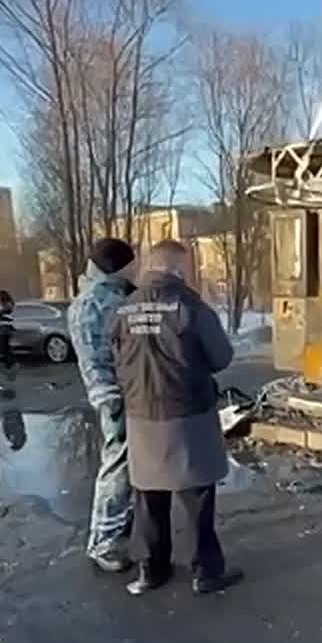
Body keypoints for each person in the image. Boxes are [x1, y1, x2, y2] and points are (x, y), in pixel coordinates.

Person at [109, 240, 244, 596]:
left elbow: (116, 359)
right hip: (188, 414)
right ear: (177, 268)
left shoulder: (124, 309)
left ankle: (151, 570)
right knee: (197, 497)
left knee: (148, 497)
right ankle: (205, 572)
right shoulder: (190, 306)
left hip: (141, 415)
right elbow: (221, 357)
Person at [67, 237, 138, 573]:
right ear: (116, 266)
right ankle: (103, 541)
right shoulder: (98, 301)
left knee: (127, 464)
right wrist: (110, 397)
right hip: (116, 395)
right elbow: (98, 357)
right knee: (117, 466)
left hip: (122, 392)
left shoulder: (109, 295)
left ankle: (119, 525)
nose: (135, 270)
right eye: (130, 265)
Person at [0, 289, 16, 369]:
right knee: (2, 346)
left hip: (5, 329)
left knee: (1, 346)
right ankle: (9, 360)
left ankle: (10, 362)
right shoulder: (2, 304)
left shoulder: (7, 305)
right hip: (2, 328)